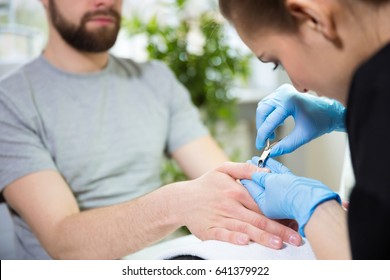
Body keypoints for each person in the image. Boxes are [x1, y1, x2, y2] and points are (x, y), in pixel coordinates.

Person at [0, 0, 302, 259]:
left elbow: (224, 178)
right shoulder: (10, 102)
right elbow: (63, 243)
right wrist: (176, 204)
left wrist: (288, 203)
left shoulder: (155, 80)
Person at [219, 0, 390, 259]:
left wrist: (312, 206)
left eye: (277, 61)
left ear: (311, 17)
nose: (298, 86)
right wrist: (342, 116)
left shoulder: (377, 90)